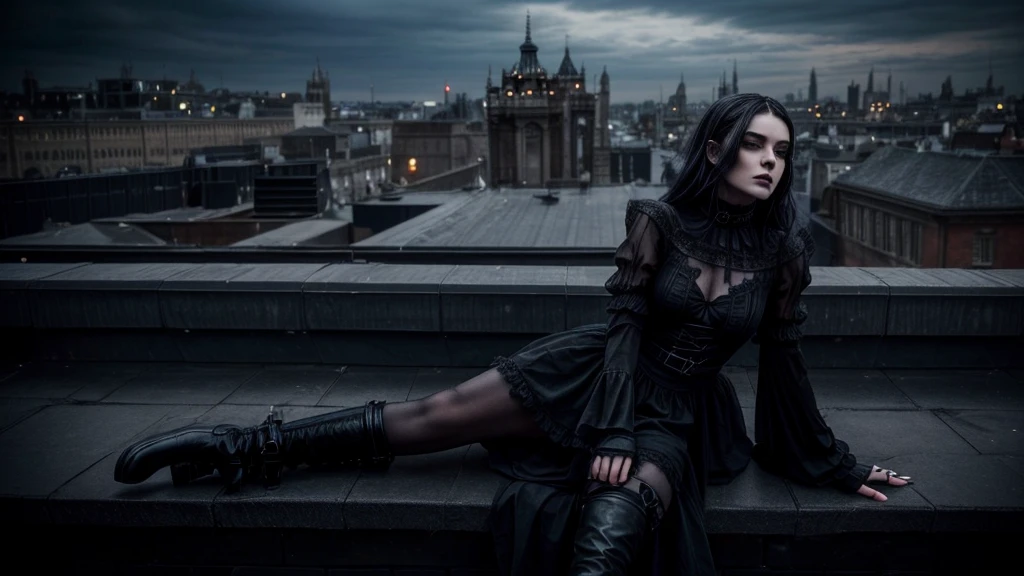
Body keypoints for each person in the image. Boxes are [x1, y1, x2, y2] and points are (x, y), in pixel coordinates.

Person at [113, 93, 912, 576]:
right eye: (754, 144)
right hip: (597, 374)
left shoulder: (783, 252)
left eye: (783, 149)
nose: (771, 161)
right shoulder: (658, 221)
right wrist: (613, 423)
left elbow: (787, 366)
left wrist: (833, 465)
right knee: (431, 417)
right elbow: (626, 325)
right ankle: (237, 448)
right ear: (715, 148)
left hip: (681, 416)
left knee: (622, 514)